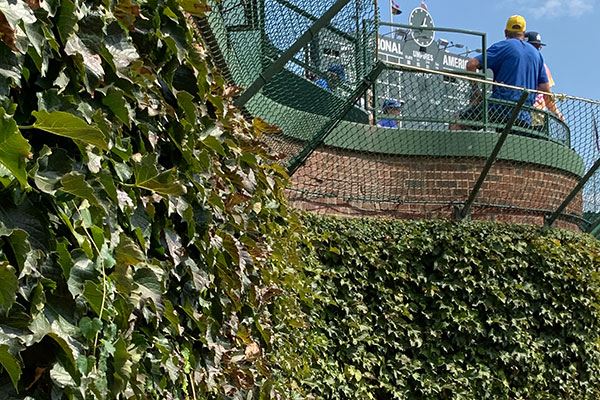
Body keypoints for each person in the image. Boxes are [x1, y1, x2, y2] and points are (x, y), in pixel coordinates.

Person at [452, 15, 553, 131]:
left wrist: (475, 91)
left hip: (498, 109)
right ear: (523, 33)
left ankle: (461, 149)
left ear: (506, 32)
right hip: (524, 116)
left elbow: (471, 65)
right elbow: (545, 89)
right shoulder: (537, 55)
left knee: (458, 121)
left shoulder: (503, 46)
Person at [524, 31, 564, 130]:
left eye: (538, 47)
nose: (536, 50)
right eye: (534, 46)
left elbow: (547, 95)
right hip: (520, 114)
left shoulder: (543, 67)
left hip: (538, 118)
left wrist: (556, 112)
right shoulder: (518, 64)